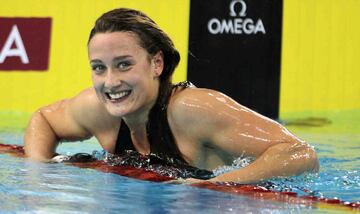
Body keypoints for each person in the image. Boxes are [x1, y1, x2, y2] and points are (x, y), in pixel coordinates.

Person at [24, 8, 319, 183]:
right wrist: (39, 173)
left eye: (124, 64)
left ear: (157, 64)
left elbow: (300, 153)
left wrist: (217, 185)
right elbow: (43, 119)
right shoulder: (98, 110)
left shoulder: (190, 109)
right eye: (99, 68)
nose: (110, 82)